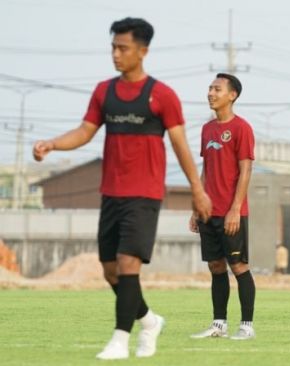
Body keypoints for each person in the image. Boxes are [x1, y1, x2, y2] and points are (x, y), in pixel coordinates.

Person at [32, 17, 212, 359]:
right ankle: (149, 320)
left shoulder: (162, 96)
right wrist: (52, 144)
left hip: (144, 194)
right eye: (113, 47)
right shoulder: (104, 91)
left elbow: (180, 146)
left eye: (123, 48)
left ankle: (119, 340)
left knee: (129, 263)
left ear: (142, 51)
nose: (116, 54)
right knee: (111, 270)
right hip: (111, 193)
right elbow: (85, 132)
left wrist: (197, 190)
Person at [189, 73, 256, 340]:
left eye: (217, 89)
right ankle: (219, 325)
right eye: (209, 88)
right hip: (209, 212)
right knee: (216, 267)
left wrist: (235, 208)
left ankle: (247, 326)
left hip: (232, 213)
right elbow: (206, 169)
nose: (210, 93)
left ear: (232, 95)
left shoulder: (242, 128)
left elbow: (246, 169)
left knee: (239, 267)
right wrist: (197, 205)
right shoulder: (207, 129)